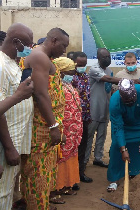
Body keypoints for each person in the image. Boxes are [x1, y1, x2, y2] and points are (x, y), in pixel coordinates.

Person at [20, 28, 69, 210]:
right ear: (54, 41)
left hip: (46, 127)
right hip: (42, 128)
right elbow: (41, 94)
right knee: (37, 176)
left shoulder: (45, 58)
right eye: (63, 46)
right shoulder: (40, 57)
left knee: (43, 174)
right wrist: (53, 126)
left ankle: (42, 205)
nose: (64, 51)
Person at [85, 48, 140, 169]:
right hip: (94, 108)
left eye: (108, 57)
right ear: (98, 58)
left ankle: (98, 158)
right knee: (89, 135)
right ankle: (84, 160)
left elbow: (110, 88)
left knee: (102, 134)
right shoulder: (94, 69)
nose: (107, 59)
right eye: (104, 57)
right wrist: (130, 82)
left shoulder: (109, 70)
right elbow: (109, 80)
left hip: (105, 108)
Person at [0, 23, 34, 209]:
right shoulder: (0, 65)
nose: (30, 48)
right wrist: (10, 148)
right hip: (6, 144)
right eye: (29, 44)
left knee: (6, 191)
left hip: (14, 140)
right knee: (1, 194)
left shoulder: (12, 62)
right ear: (16, 42)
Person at [107, 79, 140, 191]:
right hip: (123, 126)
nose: (130, 103)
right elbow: (118, 127)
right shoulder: (114, 101)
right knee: (116, 148)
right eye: (126, 101)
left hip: (139, 125)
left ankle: (139, 174)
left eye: (132, 100)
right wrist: (123, 149)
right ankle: (114, 179)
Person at [54, 57, 82, 197]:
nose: (74, 75)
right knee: (60, 158)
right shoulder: (57, 88)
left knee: (70, 157)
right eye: (71, 72)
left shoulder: (69, 85)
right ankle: (56, 188)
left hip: (73, 131)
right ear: (63, 73)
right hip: (63, 131)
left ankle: (66, 185)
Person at [71, 51, 93, 184]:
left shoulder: (85, 76)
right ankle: (72, 178)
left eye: (84, 64)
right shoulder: (70, 77)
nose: (82, 67)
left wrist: (88, 115)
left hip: (84, 118)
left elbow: (87, 98)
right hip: (73, 119)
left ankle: (80, 173)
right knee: (73, 148)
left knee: (83, 146)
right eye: (80, 65)